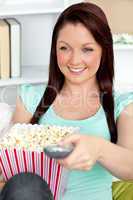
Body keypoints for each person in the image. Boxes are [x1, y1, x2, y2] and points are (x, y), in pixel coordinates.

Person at [0, 2, 133, 200]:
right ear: (55, 50)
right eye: (65, 48)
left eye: (87, 49)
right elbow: (10, 168)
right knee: (24, 186)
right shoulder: (31, 98)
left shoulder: (122, 105)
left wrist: (98, 149)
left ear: (104, 51)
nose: (74, 60)